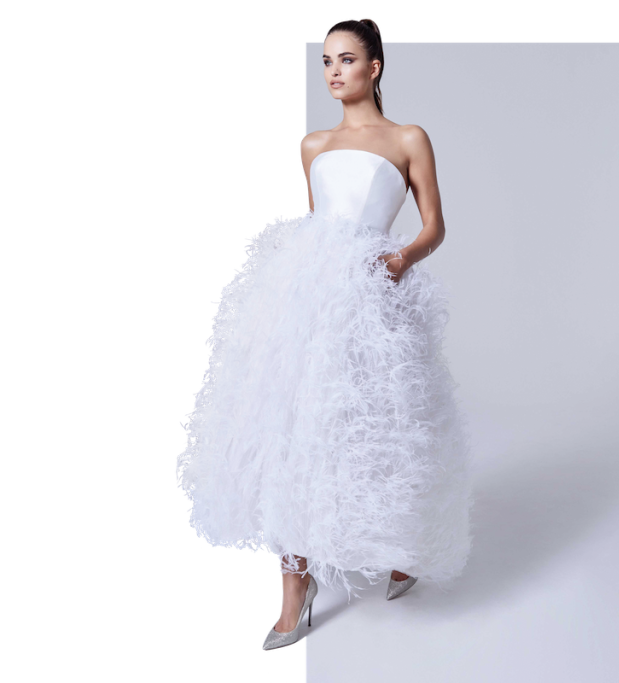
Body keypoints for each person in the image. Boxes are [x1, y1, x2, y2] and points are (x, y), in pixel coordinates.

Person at [172, 17, 474, 653]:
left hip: (373, 292)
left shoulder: (408, 138)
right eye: (327, 62)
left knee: (379, 425)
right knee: (291, 427)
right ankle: (294, 588)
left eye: (347, 60)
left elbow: (434, 227)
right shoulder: (312, 144)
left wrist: (400, 259)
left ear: (374, 67)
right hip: (308, 295)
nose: (335, 72)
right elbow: (318, 224)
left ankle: (401, 543)